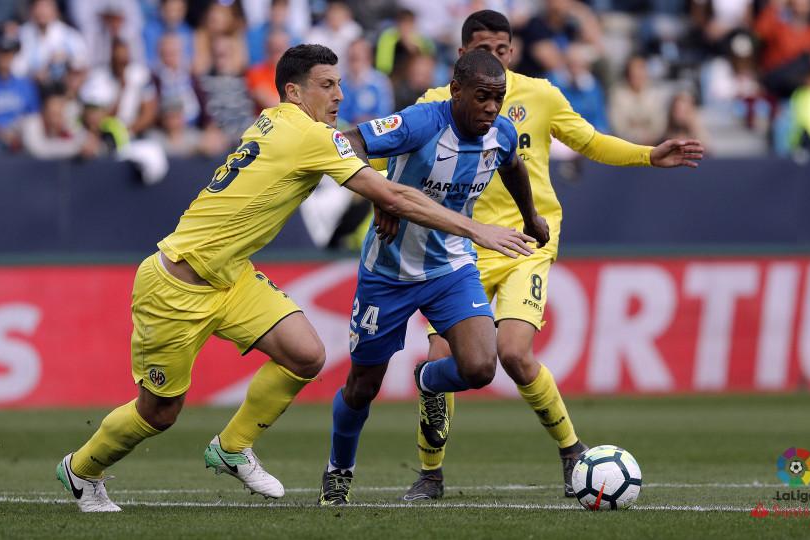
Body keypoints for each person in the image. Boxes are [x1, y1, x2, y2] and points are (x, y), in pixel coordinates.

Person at [54, 43, 536, 513]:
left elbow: (373, 175)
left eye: (339, 84)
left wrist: (382, 195)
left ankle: (232, 446)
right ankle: (82, 470)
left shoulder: (274, 120)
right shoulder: (310, 136)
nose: (339, 95)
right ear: (294, 91)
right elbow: (392, 192)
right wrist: (475, 228)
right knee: (159, 412)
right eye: (326, 85)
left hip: (230, 277)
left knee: (306, 355)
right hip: (177, 285)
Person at [401, 10, 704, 502]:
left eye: (502, 49)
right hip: (459, 246)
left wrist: (648, 154)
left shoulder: (539, 96)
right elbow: (395, 155)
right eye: (483, 50)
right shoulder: (435, 103)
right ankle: (430, 474)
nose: (495, 58)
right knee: (441, 360)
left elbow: (589, 141)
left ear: (513, 51)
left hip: (526, 242)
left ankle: (571, 451)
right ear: (461, 56)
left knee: (514, 353)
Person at [317, 49, 549, 506]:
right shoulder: (420, 123)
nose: (491, 108)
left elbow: (513, 166)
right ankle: (338, 471)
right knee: (363, 386)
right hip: (389, 271)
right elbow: (348, 141)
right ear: (456, 90)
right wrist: (380, 194)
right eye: (482, 97)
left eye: (499, 98)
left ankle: (429, 380)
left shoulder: (500, 132)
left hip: (450, 267)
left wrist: (530, 216)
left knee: (480, 367)